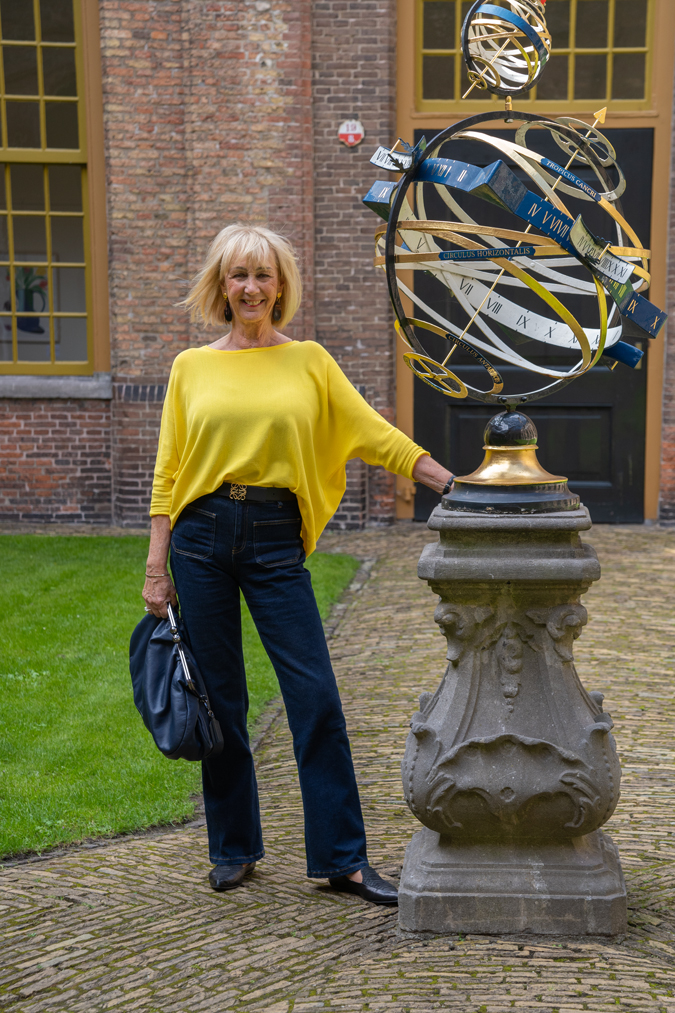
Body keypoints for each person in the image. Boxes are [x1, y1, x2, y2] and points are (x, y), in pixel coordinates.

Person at [143, 224, 453, 905]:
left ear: (280, 284)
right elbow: (169, 471)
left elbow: (370, 432)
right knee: (221, 699)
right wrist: (155, 566)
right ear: (221, 286)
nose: (250, 287)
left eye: (262, 274)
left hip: (275, 537)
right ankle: (232, 847)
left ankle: (342, 859)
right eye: (237, 275)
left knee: (314, 697)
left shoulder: (309, 361)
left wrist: (448, 481)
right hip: (199, 539)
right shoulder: (190, 367)